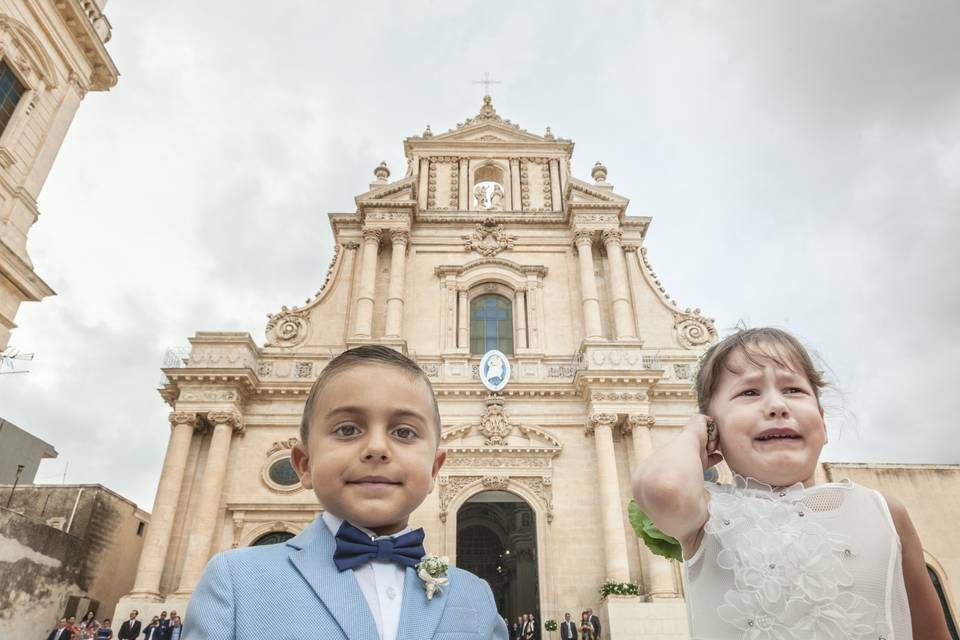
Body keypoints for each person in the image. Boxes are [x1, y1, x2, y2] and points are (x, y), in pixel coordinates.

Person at [632, 327, 952, 639]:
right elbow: (664, 487)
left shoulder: (885, 512)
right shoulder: (706, 516)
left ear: (823, 423)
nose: (777, 406)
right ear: (713, 432)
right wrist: (693, 433)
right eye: (749, 392)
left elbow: (931, 632)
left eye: (793, 390)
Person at [183, 346, 508, 640]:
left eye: (404, 432)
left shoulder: (474, 594)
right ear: (304, 464)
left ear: (434, 469)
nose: (377, 448)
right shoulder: (235, 582)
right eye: (347, 429)